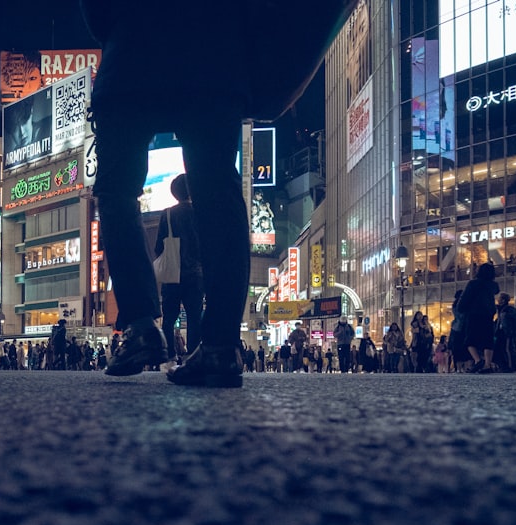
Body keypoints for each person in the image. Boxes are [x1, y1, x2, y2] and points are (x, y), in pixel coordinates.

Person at [82, 0, 339, 387]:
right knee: (217, 183)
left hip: (132, 50)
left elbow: (96, 12)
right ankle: (219, 342)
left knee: (117, 192)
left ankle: (141, 325)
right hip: (213, 51)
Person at [154, 174, 203, 364]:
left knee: (169, 316)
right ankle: (192, 354)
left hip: (172, 272)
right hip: (196, 273)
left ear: (174, 192)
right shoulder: (200, 213)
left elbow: (159, 246)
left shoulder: (167, 214)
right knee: (194, 315)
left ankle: (170, 355)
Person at [456, 262, 499, 373]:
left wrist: (461, 308)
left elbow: (465, 298)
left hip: (474, 314)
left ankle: (477, 359)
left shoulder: (473, 284)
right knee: (488, 339)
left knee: (470, 339)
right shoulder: (493, 285)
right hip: (488, 315)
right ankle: (487, 364)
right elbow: (496, 292)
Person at [493, 293, 516, 373]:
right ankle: (503, 365)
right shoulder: (500, 309)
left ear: (503, 300)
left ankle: (511, 366)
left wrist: (513, 331)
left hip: (507, 332)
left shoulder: (509, 310)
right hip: (500, 332)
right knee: (500, 349)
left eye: (499, 298)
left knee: (508, 349)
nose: (498, 300)